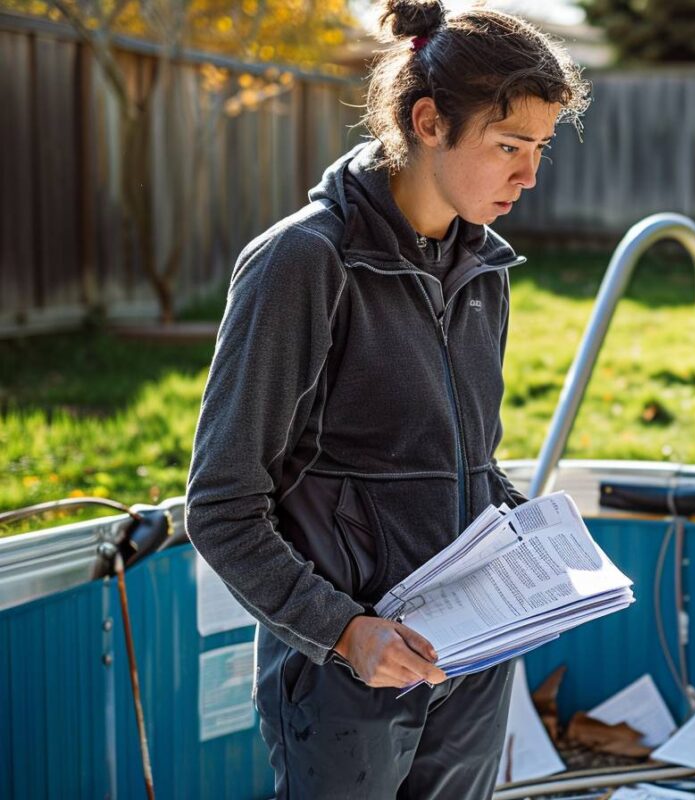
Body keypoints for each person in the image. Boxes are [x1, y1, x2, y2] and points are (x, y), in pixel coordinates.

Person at [184, 1, 589, 796]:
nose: (529, 176)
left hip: (469, 659)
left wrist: (535, 542)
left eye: (539, 149)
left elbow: (465, 462)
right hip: (348, 677)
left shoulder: (483, 269)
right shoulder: (303, 264)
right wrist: (343, 633)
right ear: (429, 121)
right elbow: (222, 505)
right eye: (509, 147)